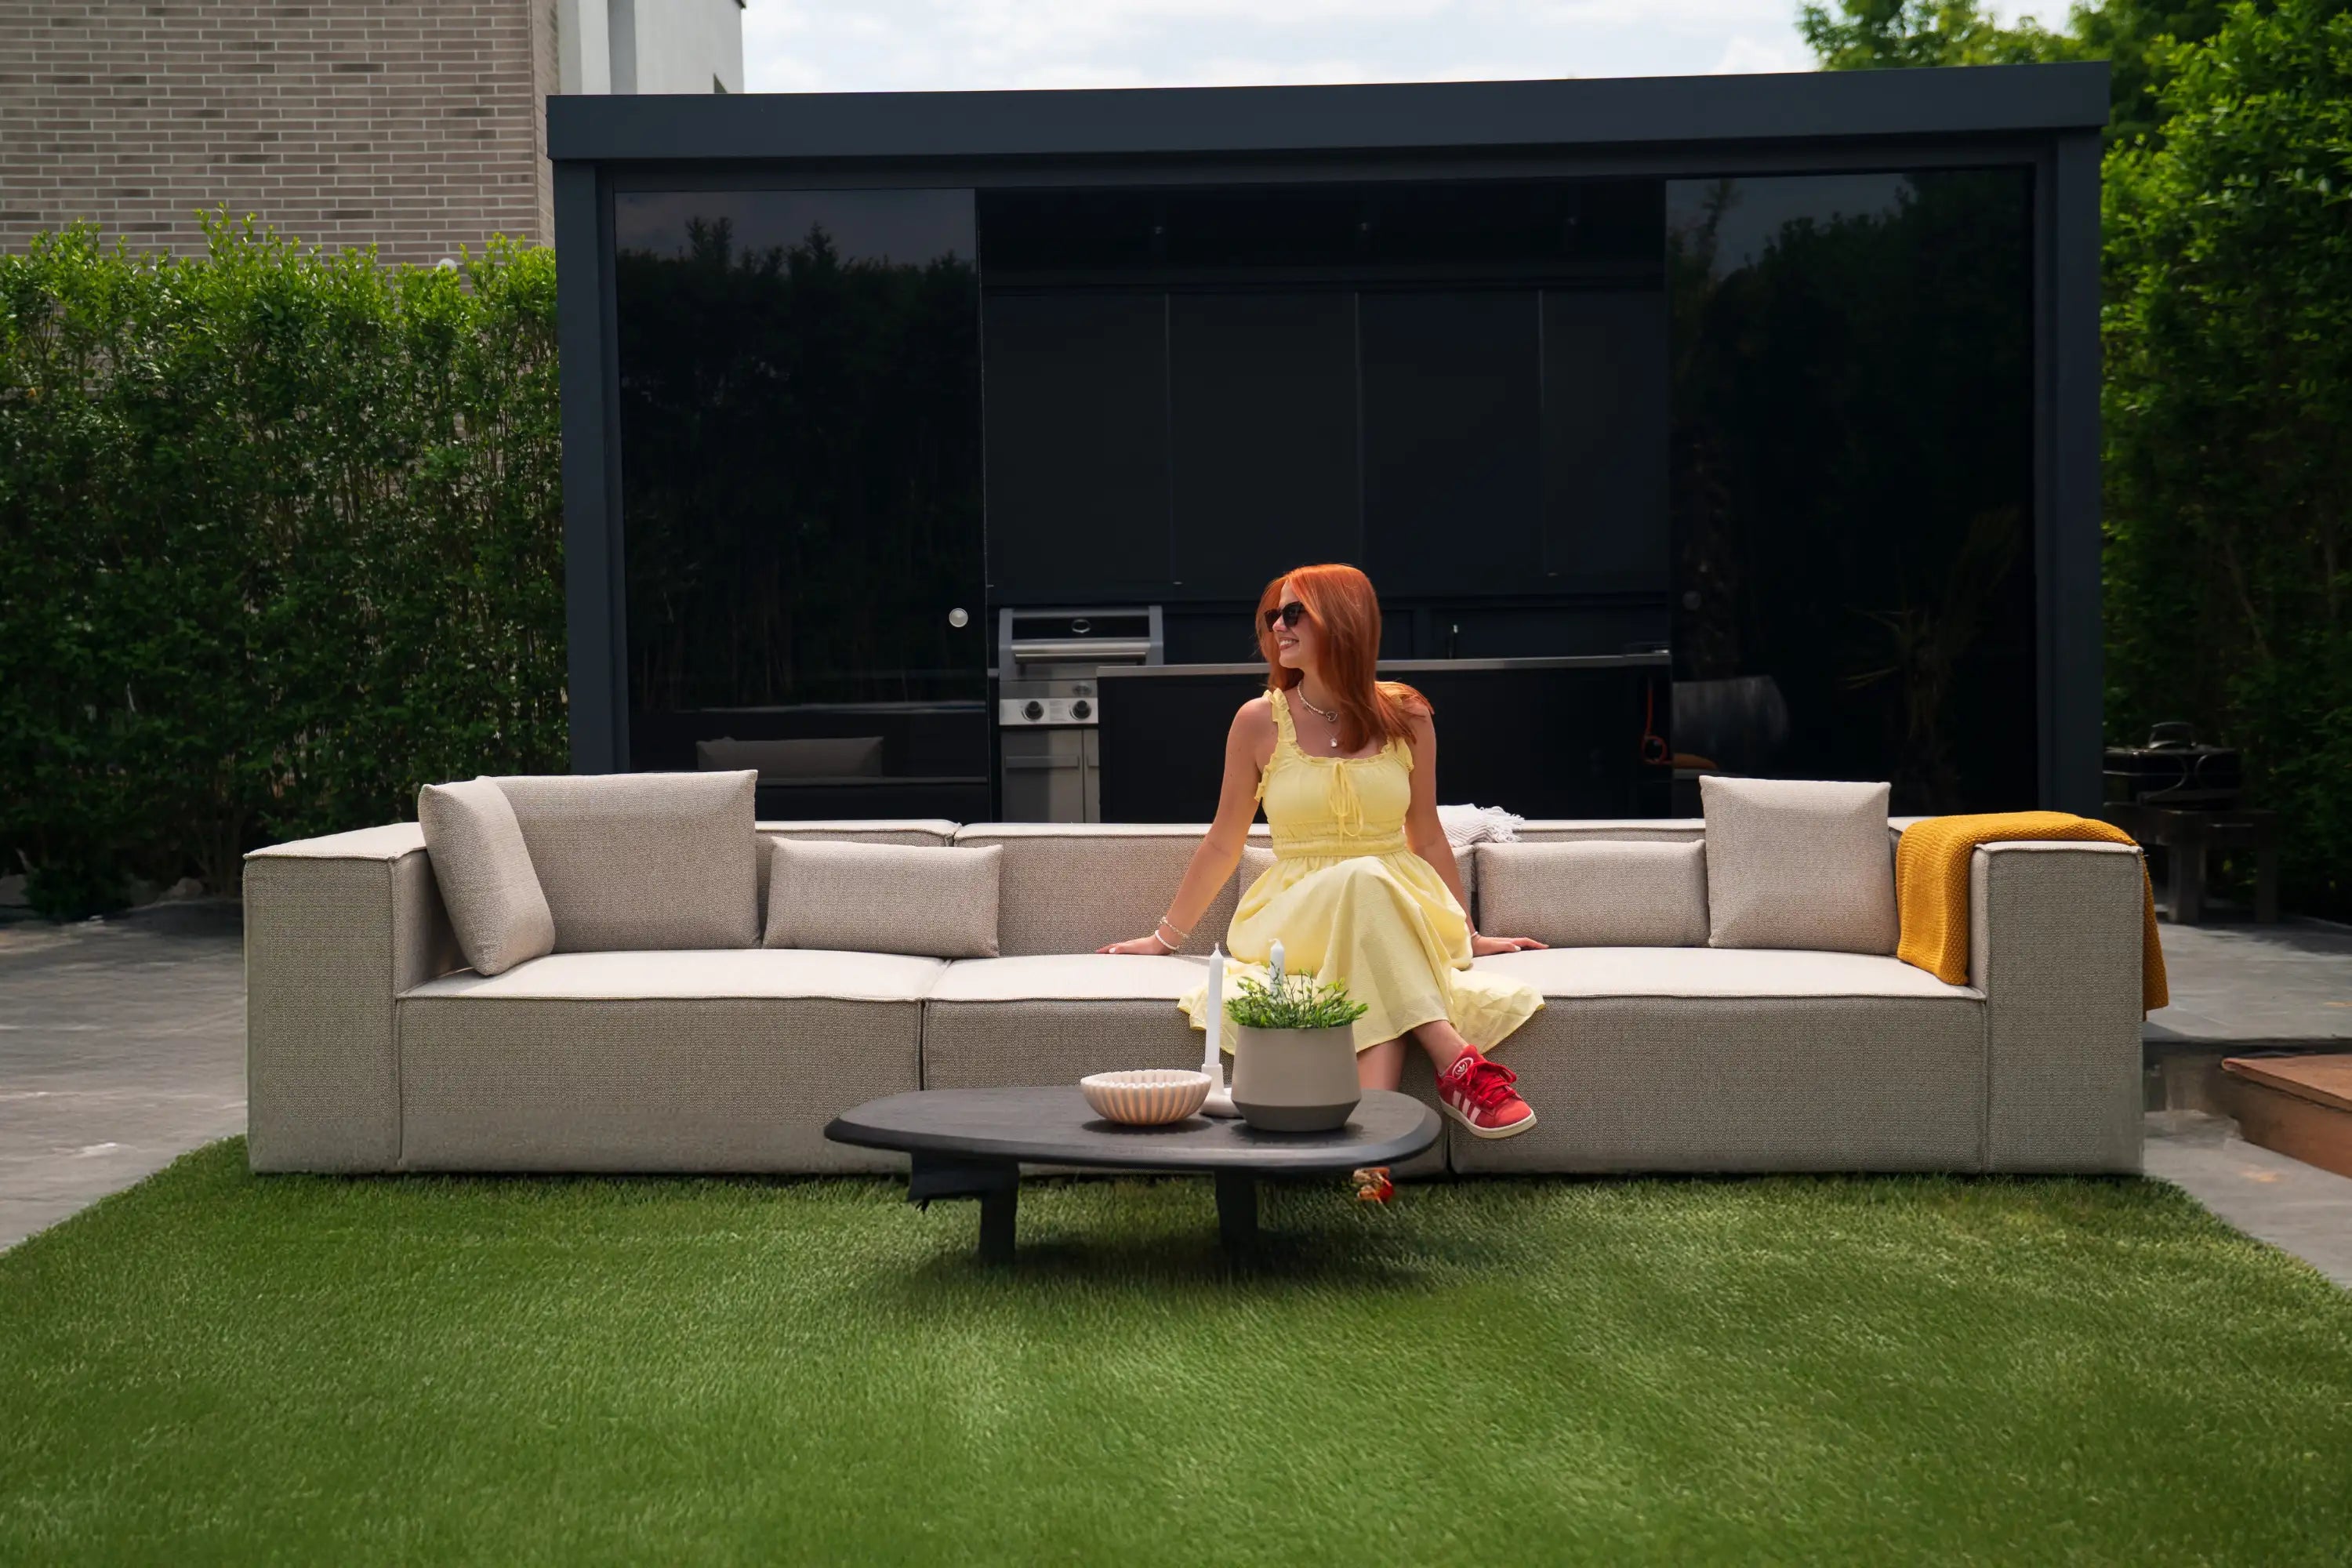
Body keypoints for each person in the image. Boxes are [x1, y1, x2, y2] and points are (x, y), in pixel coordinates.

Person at [1097, 563, 1548, 1138]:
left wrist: (1469, 932)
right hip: (1295, 915)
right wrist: (1164, 939)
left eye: (1294, 613)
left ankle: (1373, 1153)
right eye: (1273, 615)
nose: (1277, 626)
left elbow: (1428, 834)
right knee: (1363, 881)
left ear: (1343, 619)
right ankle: (1455, 1061)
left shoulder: (1408, 715)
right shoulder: (1259, 721)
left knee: (1369, 926)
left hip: (1401, 904)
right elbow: (1224, 840)